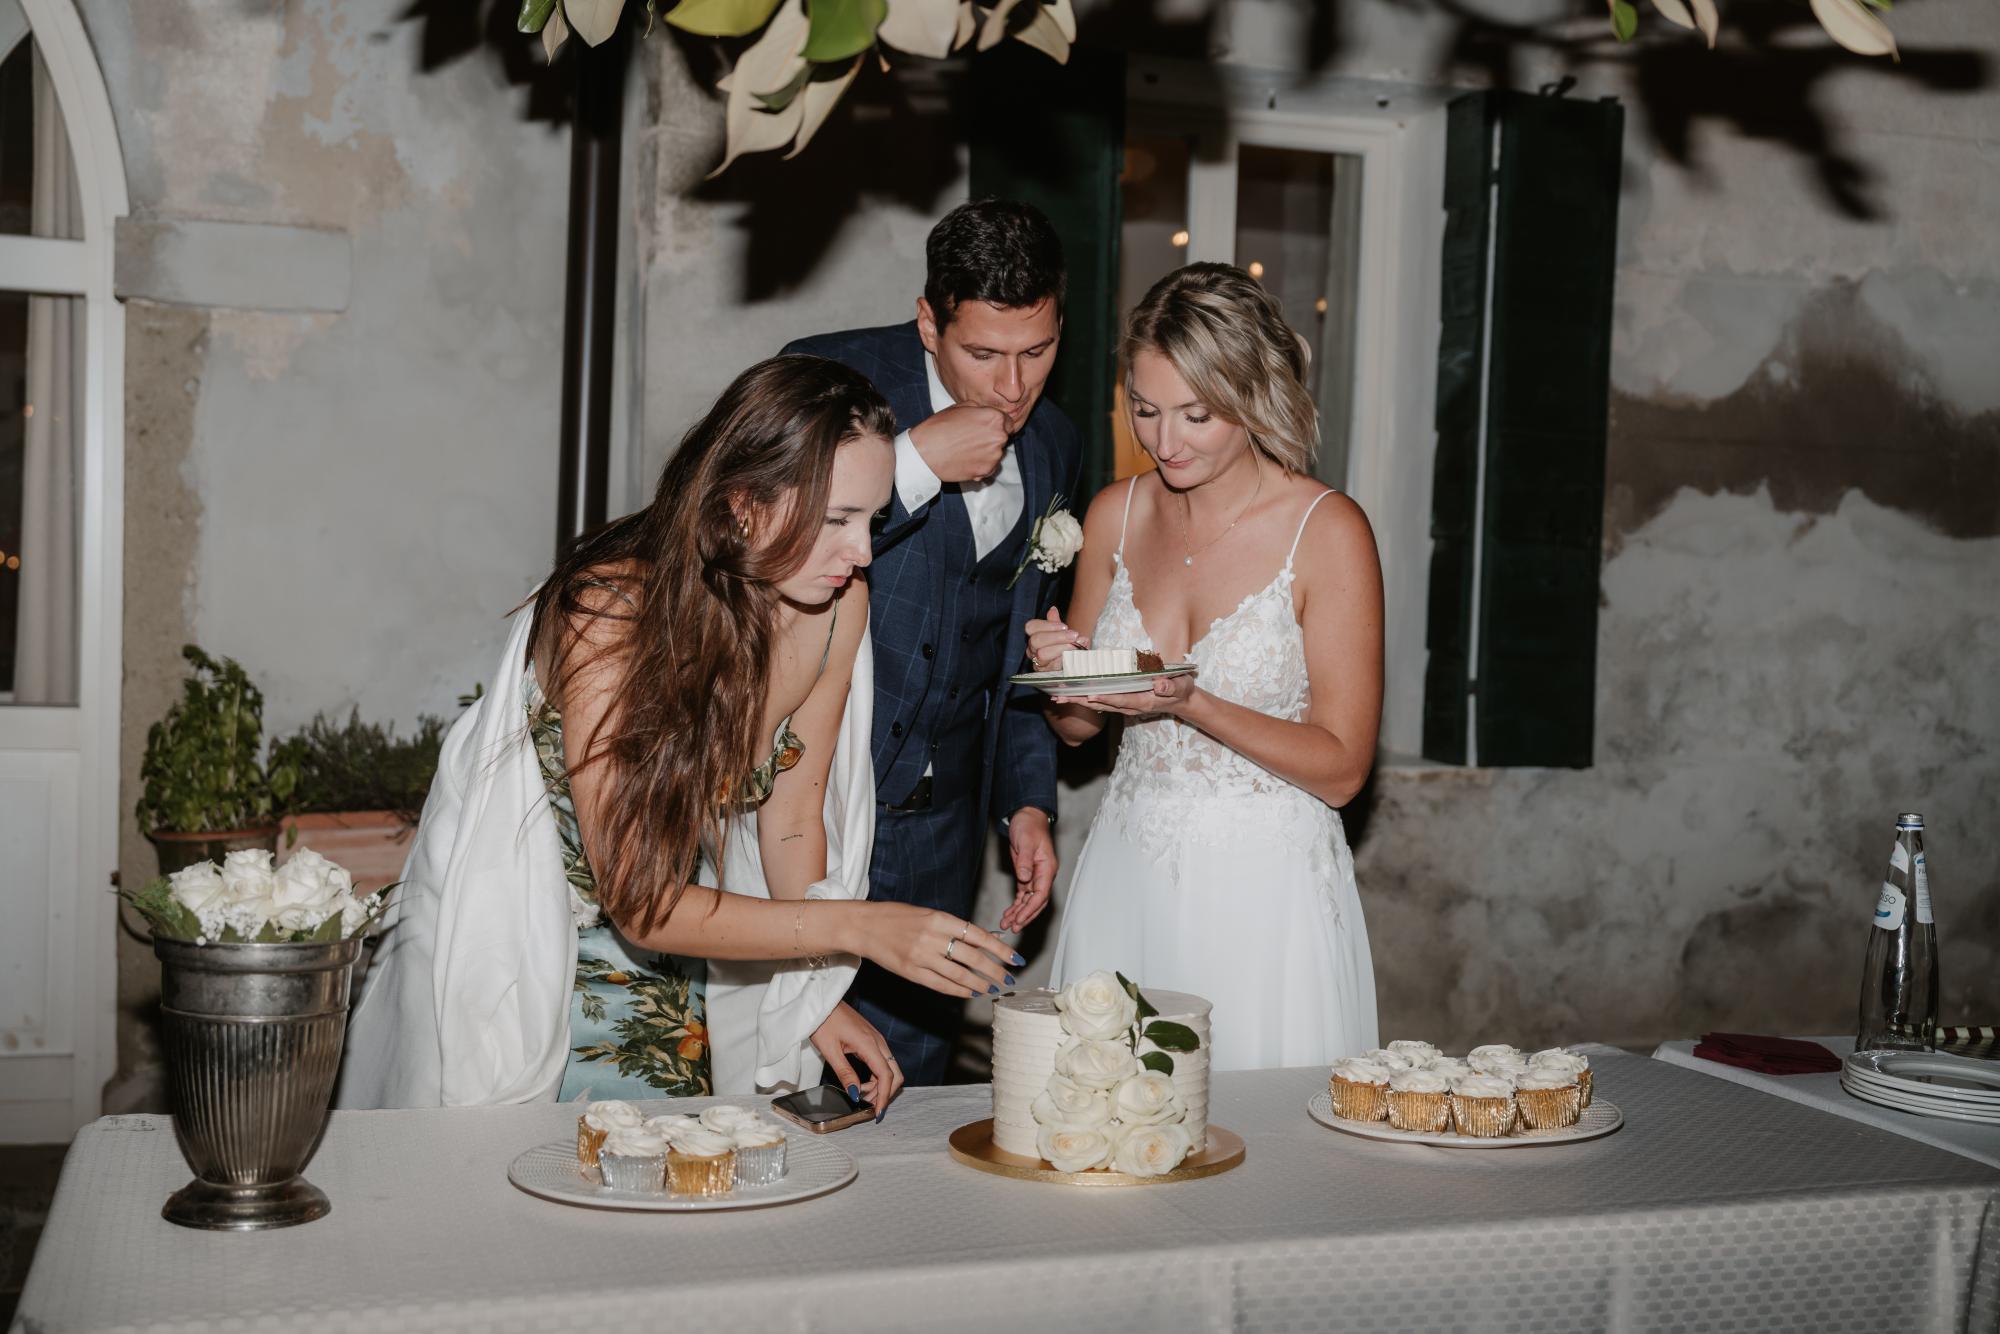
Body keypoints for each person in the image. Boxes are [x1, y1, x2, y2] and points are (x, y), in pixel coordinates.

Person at [337, 355, 1022, 1112]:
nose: (862, 553)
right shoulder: (608, 615)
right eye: (837, 520)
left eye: (873, 520)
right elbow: (638, 901)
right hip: (531, 928)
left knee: (688, 1143)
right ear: (742, 505)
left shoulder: (835, 608)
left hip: (681, 922)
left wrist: (814, 997)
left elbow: (793, 821)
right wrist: (861, 927)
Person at [1026, 263, 1383, 1070]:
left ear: (1253, 396)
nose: (1165, 442)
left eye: (1197, 415)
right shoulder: (1115, 514)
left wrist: (1190, 703)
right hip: (1128, 869)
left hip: (1267, 891)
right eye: (1145, 410)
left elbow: (1342, 772)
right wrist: (1065, 674)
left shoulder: (1327, 531)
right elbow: (1076, 730)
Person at [784, 200, 1082, 1085]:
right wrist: (912, 463)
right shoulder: (822, 377)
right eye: (984, 354)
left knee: (905, 1090)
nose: (1014, 386)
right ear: (928, 322)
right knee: (780, 1070)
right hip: (805, 810)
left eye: (1038, 351)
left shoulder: (1057, 443)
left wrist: (1026, 803)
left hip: (940, 830)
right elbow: (771, 553)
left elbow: (1020, 643)